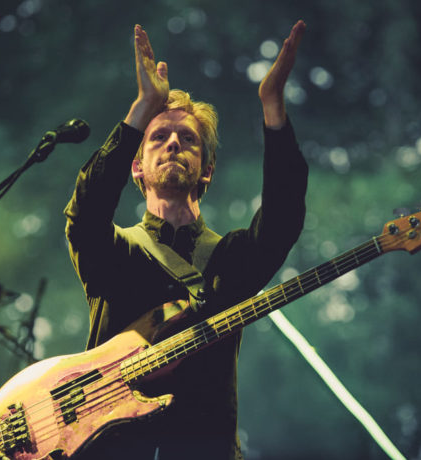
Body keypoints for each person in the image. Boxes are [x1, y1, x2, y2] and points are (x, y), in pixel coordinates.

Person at [64, 20, 308, 460]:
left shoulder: (233, 258)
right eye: (159, 137)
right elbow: (86, 211)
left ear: (206, 170)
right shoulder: (113, 251)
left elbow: (284, 217)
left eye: (188, 140)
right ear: (137, 167)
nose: (173, 143)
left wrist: (273, 105)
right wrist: (142, 108)